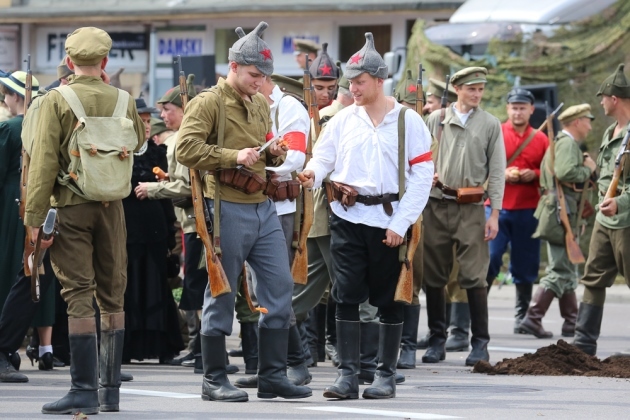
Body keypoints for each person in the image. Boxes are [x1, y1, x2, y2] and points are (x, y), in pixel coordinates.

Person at [176, 21, 312, 402]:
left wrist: (272, 152)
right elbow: (185, 150)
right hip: (227, 205)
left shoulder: (258, 103)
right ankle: (214, 378)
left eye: (264, 75)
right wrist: (231, 156)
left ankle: (271, 376)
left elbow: (260, 147)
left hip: (263, 206)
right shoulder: (208, 102)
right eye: (254, 74)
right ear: (233, 67)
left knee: (281, 287)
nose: (260, 81)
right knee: (221, 292)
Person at [300, 32, 433, 399]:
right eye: (350, 83)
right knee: (346, 295)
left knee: (388, 299)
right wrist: (312, 174)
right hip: (347, 217)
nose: (352, 89)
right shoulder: (343, 120)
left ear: (379, 80)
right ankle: (347, 375)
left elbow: (422, 177)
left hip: (390, 221)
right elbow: (324, 157)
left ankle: (385, 375)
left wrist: (400, 224)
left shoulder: (409, 121)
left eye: (359, 82)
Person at [24, 27, 145, 414]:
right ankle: (110, 391)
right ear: (105, 62)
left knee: (78, 293)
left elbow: (43, 162)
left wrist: (33, 218)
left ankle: (82, 391)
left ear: (69, 61)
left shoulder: (56, 99)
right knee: (113, 294)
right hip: (113, 206)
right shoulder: (123, 98)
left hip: (72, 206)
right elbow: (139, 141)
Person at [422, 67, 505, 367]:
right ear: (457, 88)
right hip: (435, 204)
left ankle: (480, 343)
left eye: (481, 89)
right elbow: (419, 158)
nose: (477, 94)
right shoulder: (437, 119)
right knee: (434, 274)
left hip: (471, 207)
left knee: (474, 274)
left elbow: (496, 172)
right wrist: (424, 176)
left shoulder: (490, 124)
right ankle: (436, 340)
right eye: (472, 89)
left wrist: (494, 213)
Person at [233, 72, 311, 389]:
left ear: (263, 78)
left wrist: (255, 166)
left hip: (277, 209)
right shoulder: (248, 106)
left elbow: (294, 156)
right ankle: (271, 366)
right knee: (257, 292)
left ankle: (296, 363)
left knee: (275, 290)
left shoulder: (287, 106)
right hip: (251, 203)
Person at [521, 104, 596, 338]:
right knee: (559, 269)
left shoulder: (564, 143)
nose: (590, 125)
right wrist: (588, 170)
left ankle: (571, 323)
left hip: (561, 210)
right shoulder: (567, 145)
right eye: (587, 120)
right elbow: (565, 173)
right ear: (576, 122)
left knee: (567, 265)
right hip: (561, 211)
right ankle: (532, 318)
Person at [573, 64, 630, 356]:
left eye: (602, 97)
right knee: (593, 277)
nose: (600, 102)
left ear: (614, 98)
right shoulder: (611, 131)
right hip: (604, 219)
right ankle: (583, 344)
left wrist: (621, 202)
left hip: (626, 221)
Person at [122, 98, 184, 363]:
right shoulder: (119, 152)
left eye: (149, 121)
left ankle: (161, 345)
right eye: (141, 121)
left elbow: (168, 195)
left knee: (156, 282)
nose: (147, 126)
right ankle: (128, 346)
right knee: (129, 282)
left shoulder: (158, 152)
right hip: (126, 224)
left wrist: (171, 231)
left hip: (155, 224)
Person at [485, 88, 549, 333]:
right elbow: (481, 166)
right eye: (514, 107)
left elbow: (552, 172)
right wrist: (503, 174)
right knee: (491, 258)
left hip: (528, 208)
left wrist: (535, 174)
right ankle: (478, 314)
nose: (518, 111)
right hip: (495, 208)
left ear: (531, 110)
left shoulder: (542, 139)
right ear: (508, 108)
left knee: (526, 263)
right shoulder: (496, 132)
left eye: (523, 107)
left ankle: (522, 318)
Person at [0, 70, 40, 315]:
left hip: (11, 198)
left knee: (9, 261)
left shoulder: (9, 127)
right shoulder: (45, 125)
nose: (4, 101)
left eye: (5, 95)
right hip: (42, 197)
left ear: (16, 97)